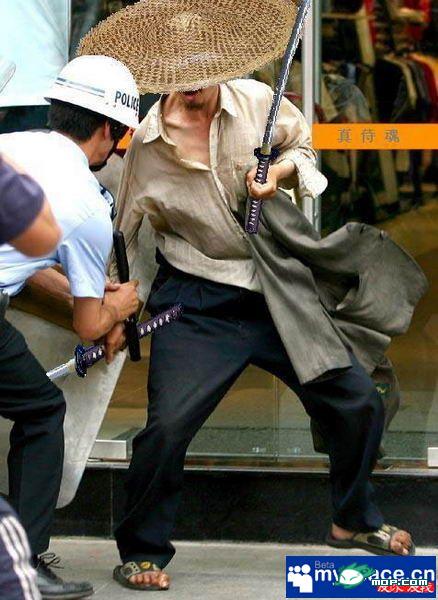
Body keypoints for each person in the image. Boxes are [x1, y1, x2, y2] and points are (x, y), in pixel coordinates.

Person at [80, 1, 417, 592]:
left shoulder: (258, 102)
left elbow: (305, 150)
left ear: (219, 63)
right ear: (166, 72)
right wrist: (115, 310)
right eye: (181, 72)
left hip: (274, 288)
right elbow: (124, 235)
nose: (192, 82)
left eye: (202, 69)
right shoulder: (148, 146)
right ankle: (141, 550)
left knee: (358, 399)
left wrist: (278, 175)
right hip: (195, 302)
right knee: (167, 429)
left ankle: (353, 517)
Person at [0, 54, 140, 599]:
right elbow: (88, 326)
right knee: (42, 412)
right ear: (106, 128)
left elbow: (21, 261)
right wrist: (119, 307)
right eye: (121, 135)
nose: (117, 147)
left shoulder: (14, 145)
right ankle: (23, 565)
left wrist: (87, 289)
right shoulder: (87, 205)